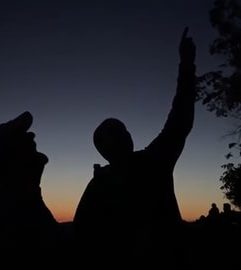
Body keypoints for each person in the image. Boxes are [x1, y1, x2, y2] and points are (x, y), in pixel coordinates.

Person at [73, 27, 196, 268]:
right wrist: (187, 66)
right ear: (105, 148)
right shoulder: (148, 164)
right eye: (117, 133)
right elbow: (83, 237)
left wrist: (187, 66)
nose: (125, 136)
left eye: (123, 130)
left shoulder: (150, 161)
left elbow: (180, 118)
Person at [0, 111, 59, 267]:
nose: (31, 136)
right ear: (9, 160)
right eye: (20, 139)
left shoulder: (24, 202)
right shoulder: (4, 213)